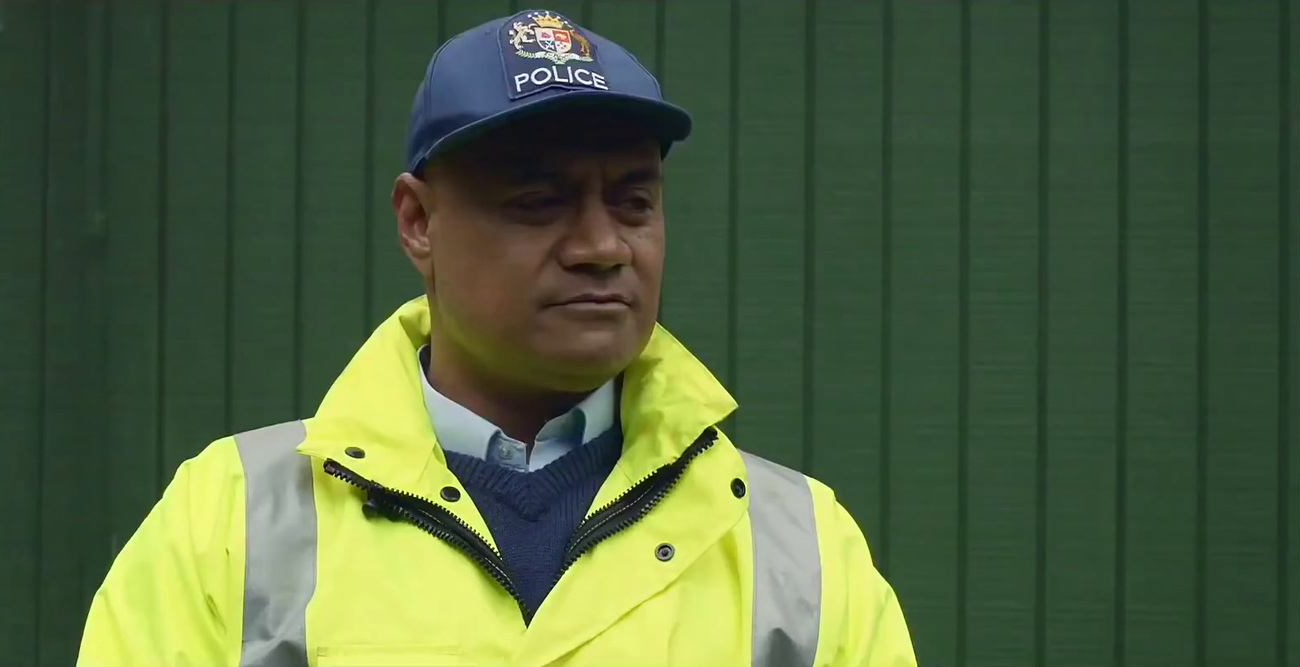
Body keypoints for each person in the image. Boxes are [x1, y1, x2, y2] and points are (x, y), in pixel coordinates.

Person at [78, 9, 916, 667]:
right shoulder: (233, 520)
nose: (602, 245)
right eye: (539, 201)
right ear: (418, 221)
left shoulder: (798, 547)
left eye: (633, 201)